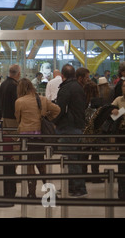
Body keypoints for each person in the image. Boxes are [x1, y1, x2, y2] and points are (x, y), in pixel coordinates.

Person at [15, 78, 60, 198]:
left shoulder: (19, 101)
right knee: (41, 164)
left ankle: (32, 193)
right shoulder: (42, 99)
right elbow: (57, 110)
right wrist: (47, 118)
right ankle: (50, 190)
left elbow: (18, 118)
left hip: (26, 138)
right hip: (40, 136)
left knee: (29, 165)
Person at [53, 64, 88, 197]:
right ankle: (72, 186)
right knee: (74, 158)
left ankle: (78, 187)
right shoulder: (79, 87)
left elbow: (60, 109)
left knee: (70, 159)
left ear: (62, 75)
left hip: (68, 127)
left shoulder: (66, 88)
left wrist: (54, 122)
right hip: (78, 126)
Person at [0, 64, 21, 129]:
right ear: (19, 73)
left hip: (4, 116)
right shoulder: (15, 85)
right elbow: (16, 102)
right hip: (12, 118)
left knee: (5, 138)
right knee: (14, 138)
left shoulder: (3, 84)